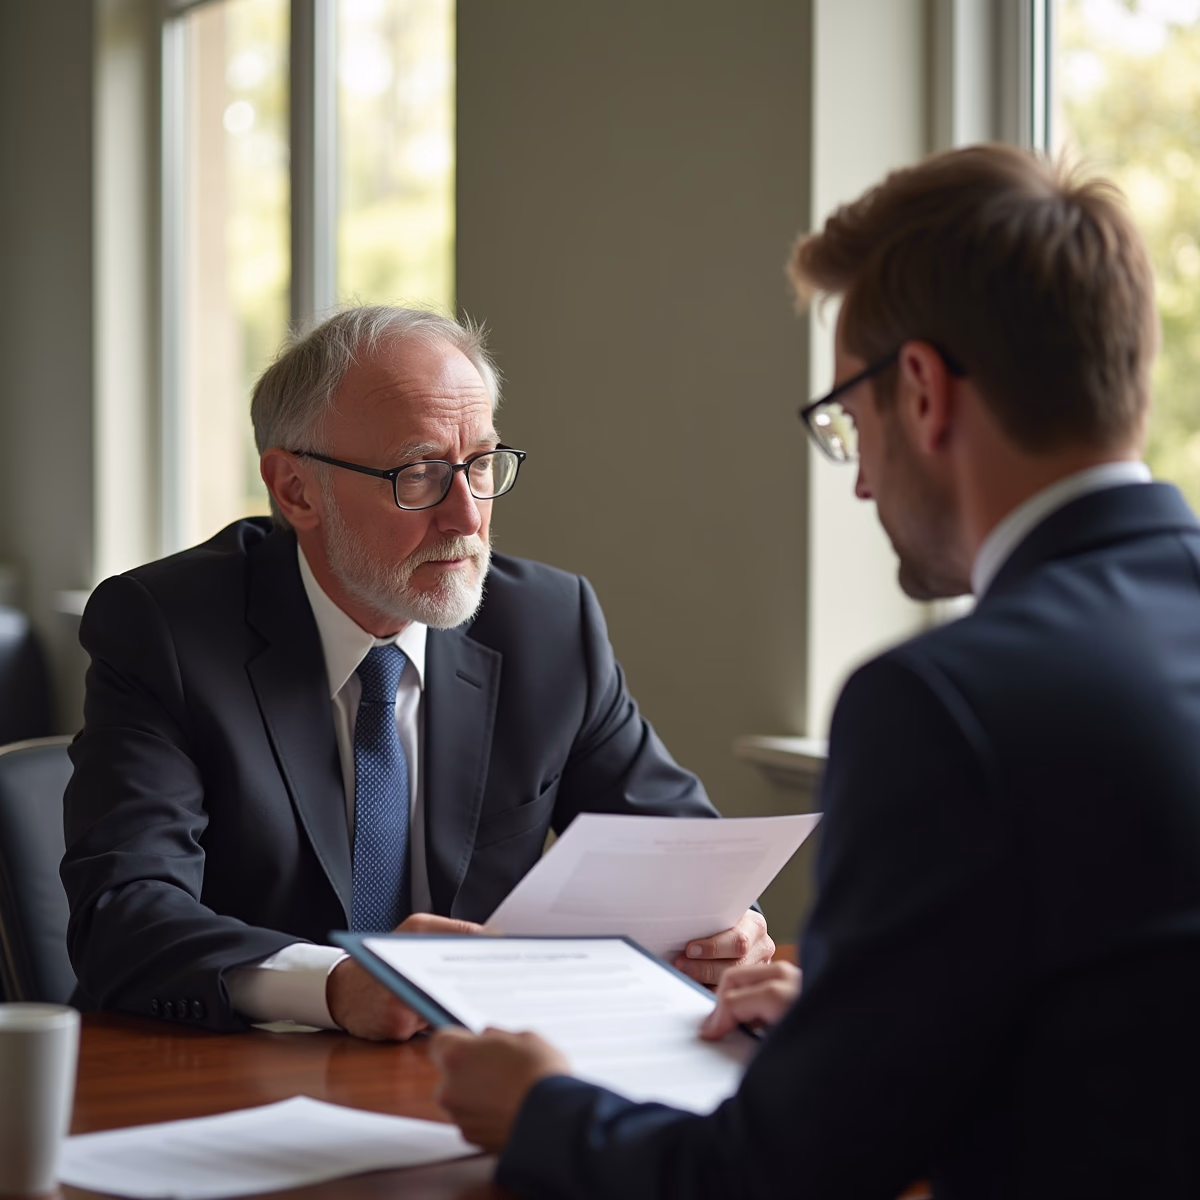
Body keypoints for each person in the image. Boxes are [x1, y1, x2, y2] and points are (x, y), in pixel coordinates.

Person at [430, 145, 1200, 1196]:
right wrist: (871, 1026)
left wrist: (541, 1113)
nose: (862, 484)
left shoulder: (943, 705)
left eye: (848, 421)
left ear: (921, 392)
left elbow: (775, 1181)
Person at [61, 307, 772, 1040]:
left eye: (481, 464)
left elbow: (678, 850)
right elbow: (123, 913)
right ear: (296, 490)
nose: (466, 516)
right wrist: (336, 984)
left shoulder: (548, 626)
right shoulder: (167, 629)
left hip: (468, 1067)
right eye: (420, 474)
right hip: (225, 1068)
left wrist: (729, 925)